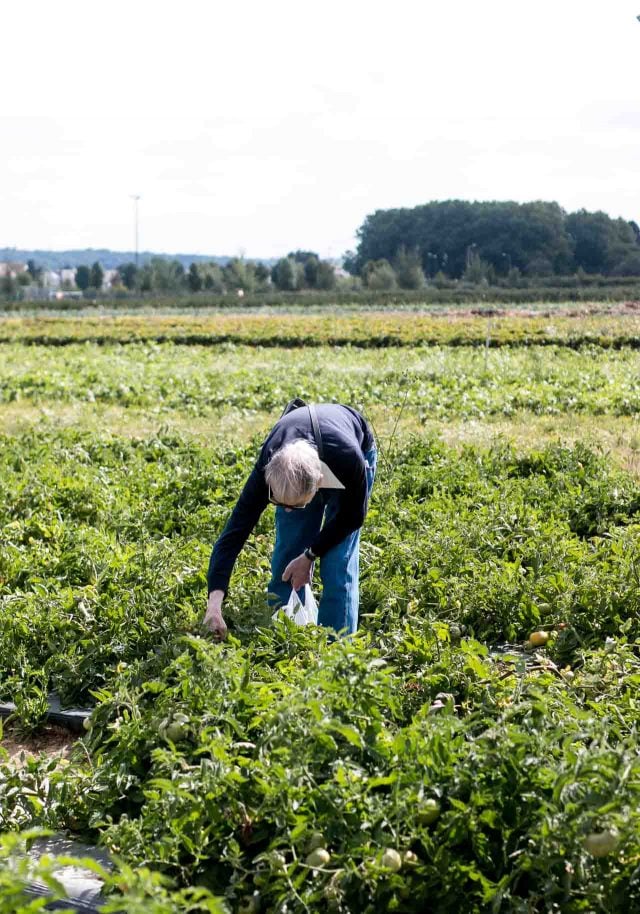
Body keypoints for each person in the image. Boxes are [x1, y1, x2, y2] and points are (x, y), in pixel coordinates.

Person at [203, 402, 376, 639]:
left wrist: (311, 554)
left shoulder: (349, 458)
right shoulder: (269, 471)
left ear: (318, 486)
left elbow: (352, 518)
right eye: (280, 504)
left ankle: (336, 649)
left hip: (347, 452)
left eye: (297, 505)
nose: (289, 511)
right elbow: (233, 535)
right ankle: (284, 634)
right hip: (300, 463)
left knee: (337, 562)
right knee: (289, 549)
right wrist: (214, 603)